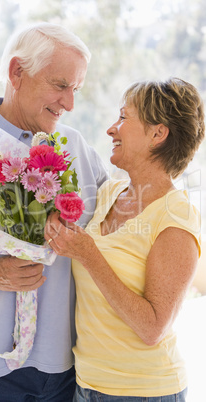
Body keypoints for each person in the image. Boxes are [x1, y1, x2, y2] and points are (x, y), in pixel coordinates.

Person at [0, 22, 108, 401]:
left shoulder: (76, 146)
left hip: (67, 367)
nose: (70, 103)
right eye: (61, 85)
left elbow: (118, 224)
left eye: (76, 90)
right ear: (17, 72)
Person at [44, 77, 205, 401]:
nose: (111, 129)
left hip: (144, 391)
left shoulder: (175, 217)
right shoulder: (109, 192)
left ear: (158, 134)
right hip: (87, 386)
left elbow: (152, 328)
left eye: (123, 117)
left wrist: (89, 255)